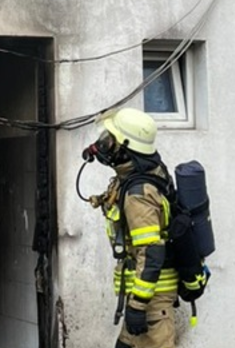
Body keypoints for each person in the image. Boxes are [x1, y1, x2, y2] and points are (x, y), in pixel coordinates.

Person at [84, 108, 180, 348]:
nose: (104, 145)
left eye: (109, 140)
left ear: (125, 147)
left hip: (151, 304)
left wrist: (137, 305)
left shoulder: (138, 194)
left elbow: (151, 251)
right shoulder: (136, 177)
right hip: (143, 298)